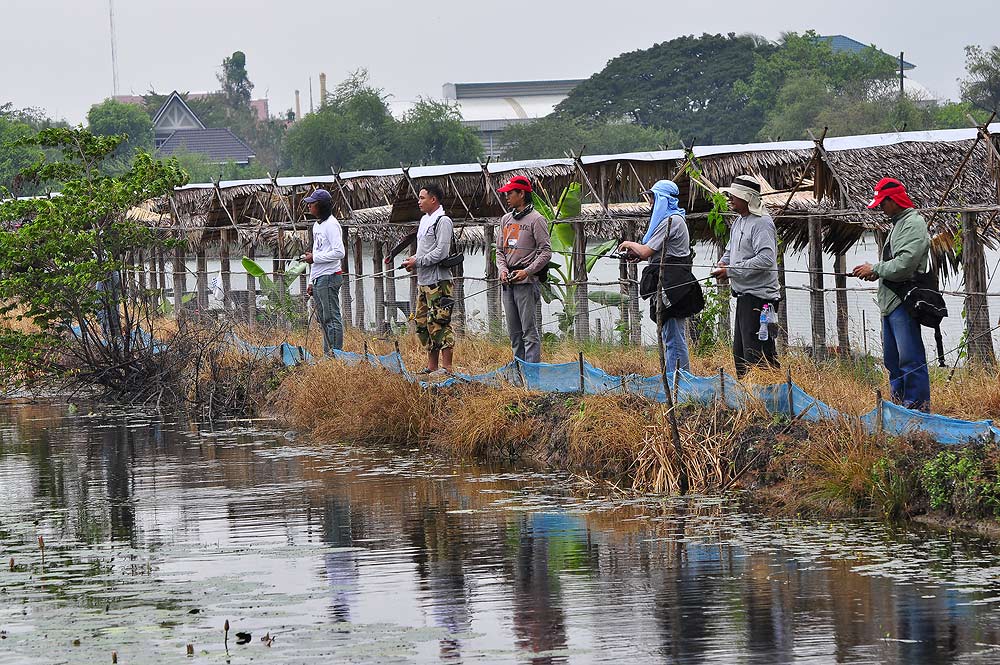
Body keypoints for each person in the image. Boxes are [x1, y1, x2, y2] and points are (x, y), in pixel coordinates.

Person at [852, 178, 931, 412]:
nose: (880, 208)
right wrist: (874, 271)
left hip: (904, 301)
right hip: (890, 302)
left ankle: (917, 408)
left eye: (882, 203)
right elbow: (892, 263)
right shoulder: (897, 223)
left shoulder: (913, 223)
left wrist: (875, 269)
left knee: (910, 359)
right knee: (892, 360)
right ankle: (898, 405)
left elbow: (906, 264)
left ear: (894, 200)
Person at [618, 179, 701, 376]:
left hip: (672, 285)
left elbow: (646, 251)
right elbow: (654, 252)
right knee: (670, 333)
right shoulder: (670, 220)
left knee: (673, 335)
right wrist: (636, 254)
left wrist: (629, 244)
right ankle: (675, 376)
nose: (651, 203)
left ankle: (679, 379)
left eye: (654, 198)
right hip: (668, 282)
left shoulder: (671, 220)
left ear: (663, 199)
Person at [713, 175, 781, 377]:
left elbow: (766, 259)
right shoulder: (739, 222)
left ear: (748, 198)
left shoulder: (762, 223)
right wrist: (723, 263)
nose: (730, 199)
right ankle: (749, 394)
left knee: (757, 354)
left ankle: (768, 395)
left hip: (760, 299)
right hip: (744, 296)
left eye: (734, 196)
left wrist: (731, 271)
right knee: (741, 353)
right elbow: (729, 250)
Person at [495, 175, 552, 364]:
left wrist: (526, 272)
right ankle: (518, 373)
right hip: (507, 282)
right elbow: (500, 251)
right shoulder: (505, 219)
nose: (507, 197)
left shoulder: (537, 220)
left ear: (522, 194)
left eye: (510, 193)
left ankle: (532, 374)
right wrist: (503, 270)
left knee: (529, 332)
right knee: (514, 333)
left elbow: (546, 252)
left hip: (526, 282)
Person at [402, 183, 456, 376]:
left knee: (439, 322)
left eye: (422, 197)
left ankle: (447, 368)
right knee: (423, 323)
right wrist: (413, 260)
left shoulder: (443, 221)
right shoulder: (425, 220)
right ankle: (432, 366)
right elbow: (424, 250)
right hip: (424, 281)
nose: (419, 201)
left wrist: (418, 261)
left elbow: (441, 252)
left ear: (434, 200)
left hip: (438, 281)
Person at [302, 189, 345, 354]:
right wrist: (312, 280)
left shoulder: (332, 225)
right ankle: (328, 354)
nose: (309, 206)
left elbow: (339, 252)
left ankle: (335, 355)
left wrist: (315, 258)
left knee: (331, 317)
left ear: (321, 206)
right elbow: (316, 251)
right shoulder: (316, 225)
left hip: (330, 276)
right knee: (323, 319)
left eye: (312, 204)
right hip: (320, 277)